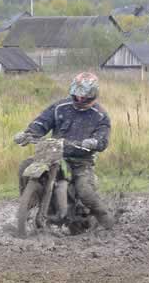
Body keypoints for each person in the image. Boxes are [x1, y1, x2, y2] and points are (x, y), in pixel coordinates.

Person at [13, 71, 114, 229]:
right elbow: (42, 122)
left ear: (93, 94)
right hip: (53, 154)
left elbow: (103, 139)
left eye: (84, 96)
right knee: (25, 166)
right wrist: (28, 134)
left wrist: (94, 142)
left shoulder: (100, 116)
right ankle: (27, 204)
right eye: (77, 94)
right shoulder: (60, 107)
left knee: (85, 191)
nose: (79, 98)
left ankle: (107, 222)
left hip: (81, 162)